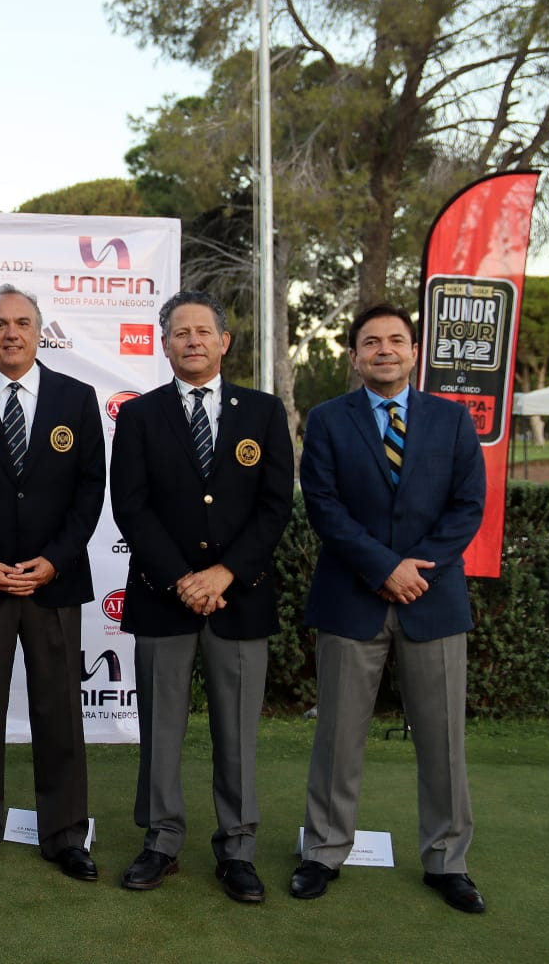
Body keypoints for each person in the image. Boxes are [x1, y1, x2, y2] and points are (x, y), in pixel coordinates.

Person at [290, 304, 487, 914]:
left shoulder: (454, 422)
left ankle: (447, 861)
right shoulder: (326, 421)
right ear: (354, 355)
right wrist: (383, 568)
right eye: (370, 342)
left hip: (433, 600)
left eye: (395, 340)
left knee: (443, 742)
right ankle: (323, 851)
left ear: (413, 350)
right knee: (338, 738)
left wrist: (414, 569)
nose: (384, 349)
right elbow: (323, 506)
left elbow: (467, 506)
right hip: (353, 601)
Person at [109, 291, 293, 902]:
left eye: (202, 331)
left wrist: (223, 575)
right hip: (163, 597)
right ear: (164, 345)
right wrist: (183, 578)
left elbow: (274, 508)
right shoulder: (138, 416)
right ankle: (160, 842)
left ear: (224, 342)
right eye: (179, 332)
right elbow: (130, 506)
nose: (191, 340)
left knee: (236, 731)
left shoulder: (264, 413)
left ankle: (236, 849)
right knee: (161, 729)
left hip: (239, 599)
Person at [0, 285, 105, 882]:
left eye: (23, 322)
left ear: (40, 331)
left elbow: (89, 493)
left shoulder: (77, 399)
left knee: (59, 711)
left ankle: (65, 834)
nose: (11, 332)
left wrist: (54, 560)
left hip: (53, 583)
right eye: (0, 324)